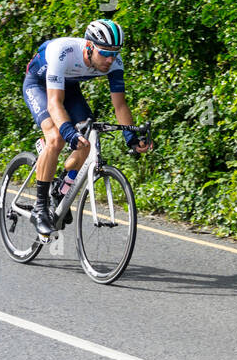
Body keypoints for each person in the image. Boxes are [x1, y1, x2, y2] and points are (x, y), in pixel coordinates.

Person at [21, 19, 152, 238]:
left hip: (69, 87)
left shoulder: (114, 61)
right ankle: (40, 208)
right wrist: (68, 132)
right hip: (39, 85)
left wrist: (131, 136)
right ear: (89, 47)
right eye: (104, 53)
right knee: (56, 138)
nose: (110, 59)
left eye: (115, 53)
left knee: (86, 139)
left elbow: (119, 104)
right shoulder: (62, 52)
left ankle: (60, 189)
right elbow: (54, 103)